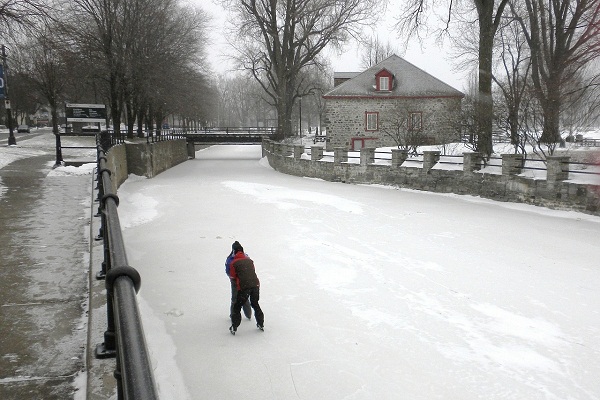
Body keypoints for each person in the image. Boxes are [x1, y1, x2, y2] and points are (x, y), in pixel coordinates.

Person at [228, 242, 264, 335]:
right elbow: (252, 271)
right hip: (255, 285)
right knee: (255, 304)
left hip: (244, 287)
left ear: (234, 252)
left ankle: (234, 327)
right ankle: (261, 323)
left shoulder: (233, 262)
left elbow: (232, 276)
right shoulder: (250, 260)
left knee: (237, 306)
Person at [225, 242, 252, 320]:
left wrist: (232, 277)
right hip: (245, 280)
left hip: (235, 281)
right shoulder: (246, 256)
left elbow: (228, 270)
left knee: (234, 299)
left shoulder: (230, 258)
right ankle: (248, 314)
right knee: (245, 298)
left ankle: (233, 315)